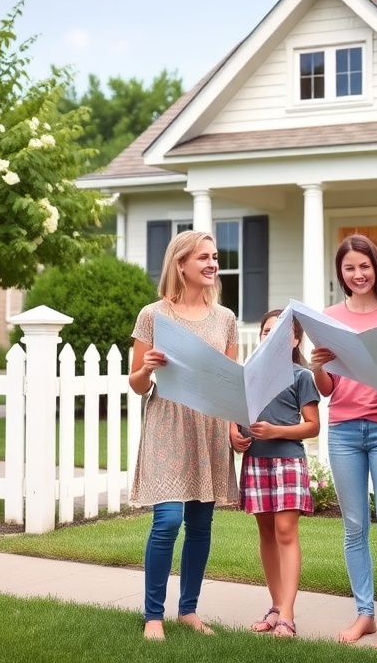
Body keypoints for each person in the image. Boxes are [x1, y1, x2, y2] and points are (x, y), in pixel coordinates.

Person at [128, 229, 245, 641]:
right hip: (168, 423)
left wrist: (234, 429)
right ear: (181, 265)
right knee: (167, 520)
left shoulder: (226, 319)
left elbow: (232, 383)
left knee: (200, 523)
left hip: (209, 425)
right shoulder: (153, 315)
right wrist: (148, 369)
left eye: (214, 257)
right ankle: (153, 615)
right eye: (203, 258)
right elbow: (137, 384)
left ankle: (189, 610)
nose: (213, 264)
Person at [309, 234, 377, 649]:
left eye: (364, 266)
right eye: (349, 268)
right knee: (354, 527)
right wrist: (317, 366)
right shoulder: (329, 317)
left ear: (376, 267)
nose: (358, 274)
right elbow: (328, 389)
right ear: (341, 273)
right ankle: (364, 614)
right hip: (344, 432)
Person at [231, 308, 321, 639]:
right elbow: (235, 415)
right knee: (267, 533)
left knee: (285, 531)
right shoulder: (246, 375)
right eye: (267, 331)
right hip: (255, 461)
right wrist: (234, 434)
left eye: (280, 332)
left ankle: (288, 612)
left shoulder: (301, 376)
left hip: (288, 462)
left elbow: (313, 427)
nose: (271, 336)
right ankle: (275, 605)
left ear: (294, 339)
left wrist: (276, 431)